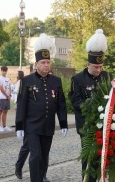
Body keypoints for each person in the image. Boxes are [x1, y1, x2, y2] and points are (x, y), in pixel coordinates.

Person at [15, 33, 68, 182]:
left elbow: (61, 104)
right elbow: (21, 104)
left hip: (48, 125)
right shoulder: (26, 81)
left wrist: (63, 123)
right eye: (43, 62)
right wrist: (19, 126)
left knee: (44, 156)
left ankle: (42, 176)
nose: (46, 65)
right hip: (32, 125)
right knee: (36, 155)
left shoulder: (56, 81)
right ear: (36, 64)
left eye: (48, 62)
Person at [68, 29, 110, 182]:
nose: (99, 70)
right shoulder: (77, 79)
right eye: (95, 67)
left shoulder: (107, 77)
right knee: (89, 159)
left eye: (101, 67)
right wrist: (93, 105)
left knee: (104, 158)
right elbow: (75, 101)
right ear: (88, 64)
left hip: (106, 126)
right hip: (86, 126)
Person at [0, 66, 11, 132]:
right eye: (3, 71)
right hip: (2, 97)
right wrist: (7, 95)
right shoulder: (0, 78)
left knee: (5, 111)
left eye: (5, 71)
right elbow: (1, 88)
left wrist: (9, 94)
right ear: (1, 71)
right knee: (0, 111)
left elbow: (9, 86)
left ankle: (4, 126)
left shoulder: (7, 78)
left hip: (7, 97)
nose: (4, 72)